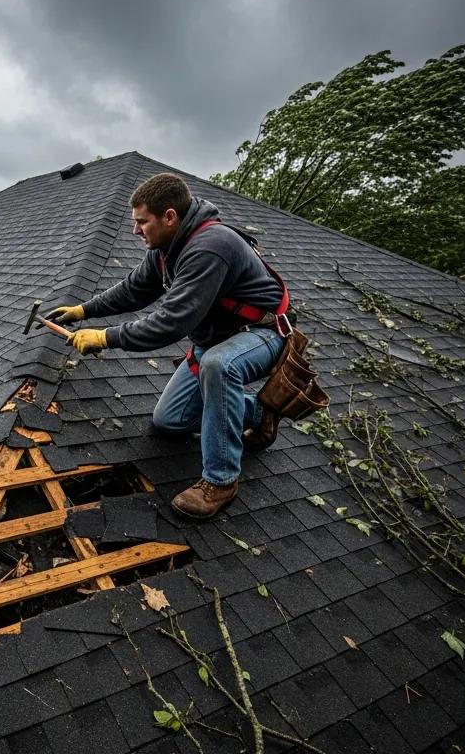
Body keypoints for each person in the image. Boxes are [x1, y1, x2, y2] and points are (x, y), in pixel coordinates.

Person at [47, 172, 290, 520]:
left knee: (219, 365)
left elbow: (171, 322)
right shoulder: (166, 248)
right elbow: (134, 289)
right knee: (169, 421)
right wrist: (84, 310)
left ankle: (221, 481)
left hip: (263, 334)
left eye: (142, 222)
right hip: (217, 339)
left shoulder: (211, 246)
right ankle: (261, 413)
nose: (135, 230)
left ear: (170, 216)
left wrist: (105, 337)